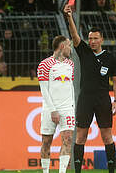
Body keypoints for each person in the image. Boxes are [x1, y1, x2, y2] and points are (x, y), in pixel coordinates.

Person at [64, 4, 116, 173]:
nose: (92, 41)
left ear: (101, 39)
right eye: (90, 38)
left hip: (103, 100)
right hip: (85, 99)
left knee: (106, 136)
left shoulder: (110, 58)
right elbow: (74, 34)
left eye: (95, 38)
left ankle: (112, 170)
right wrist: (69, 17)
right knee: (81, 136)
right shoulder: (84, 52)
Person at [37, 35, 75, 173]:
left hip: (67, 108)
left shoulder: (71, 64)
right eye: (69, 46)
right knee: (46, 142)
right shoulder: (45, 64)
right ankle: (46, 171)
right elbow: (44, 89)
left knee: (68, 139)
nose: (70, 49)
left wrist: (73, 107)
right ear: (62, 46)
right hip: (50, 109)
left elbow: (71, 87)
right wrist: (53, 110)